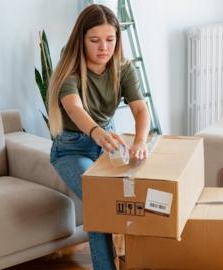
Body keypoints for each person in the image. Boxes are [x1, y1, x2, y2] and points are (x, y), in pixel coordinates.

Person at [47, 4, 150, 270]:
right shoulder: (69, 70)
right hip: (71, 149)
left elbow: (140, 109)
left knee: (136, 199)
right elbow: (75, 108)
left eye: (109, 39)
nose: (103, 47)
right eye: (94, 40)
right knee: (99, 204)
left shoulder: (123, 68)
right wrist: (97, 132)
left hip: (106, 144)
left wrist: (139, 142)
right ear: (81, 40)